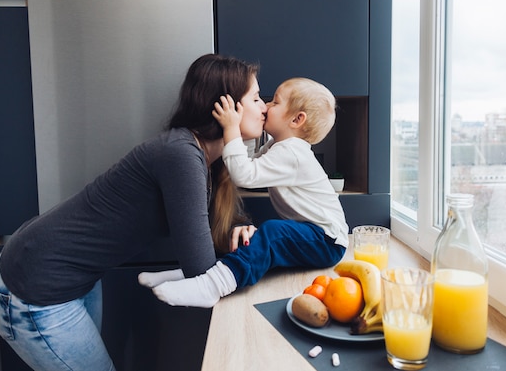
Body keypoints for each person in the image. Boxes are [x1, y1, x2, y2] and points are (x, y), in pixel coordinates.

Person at [0, 53, 266, 371]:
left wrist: (236, 229)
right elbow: (201, 271)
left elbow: (202, 224)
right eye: (256, 98)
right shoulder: (182, 155)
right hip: (34, 289)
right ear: (226, 107)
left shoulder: (199, 158)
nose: (265, 107)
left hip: (75, 278)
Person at [138, 77, 349, 308]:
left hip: (327, 241)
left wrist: (231, 128)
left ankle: (212, 286)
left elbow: (244, 175)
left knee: (272, 233)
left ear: (297, 119)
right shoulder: (280, 148)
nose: (266, 106)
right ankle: (196, 274)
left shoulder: (293, 153)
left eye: (275, 102)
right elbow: (244, 163)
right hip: (317, 235)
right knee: (260, 240)